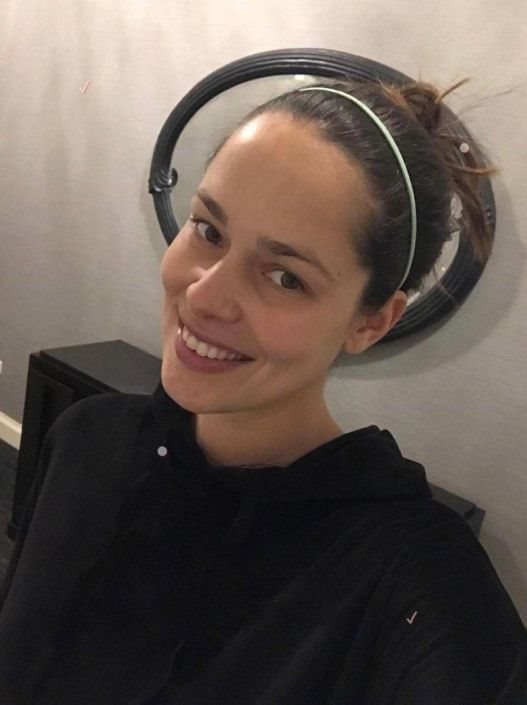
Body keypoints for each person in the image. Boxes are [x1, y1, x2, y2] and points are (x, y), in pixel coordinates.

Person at [0, 75, 526, 705]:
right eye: (209, 231)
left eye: (284, 277)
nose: (204, 297)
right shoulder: (87, 439)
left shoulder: (417, 588)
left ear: (370, 322)